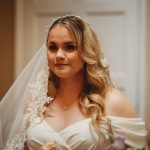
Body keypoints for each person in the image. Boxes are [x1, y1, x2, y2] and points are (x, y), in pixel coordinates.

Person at [0, 15, 147, 150]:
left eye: (70, 47)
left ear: (86, 51)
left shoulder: (112, 101)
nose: (58, 55)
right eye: (52, 47)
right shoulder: (35, 99)